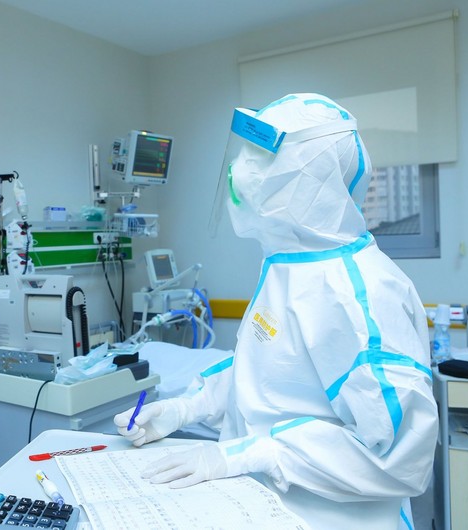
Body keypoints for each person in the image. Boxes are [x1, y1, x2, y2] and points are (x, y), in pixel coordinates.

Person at [114, 93, 438, 530]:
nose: (240, 170)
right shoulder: (291, 266)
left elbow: (400, 455)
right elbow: (265, 372)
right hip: (265, 505)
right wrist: (185, 409)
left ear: (310, 179)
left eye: (261, 158)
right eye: (245, 153)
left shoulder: (358, 294)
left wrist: (259, 452)